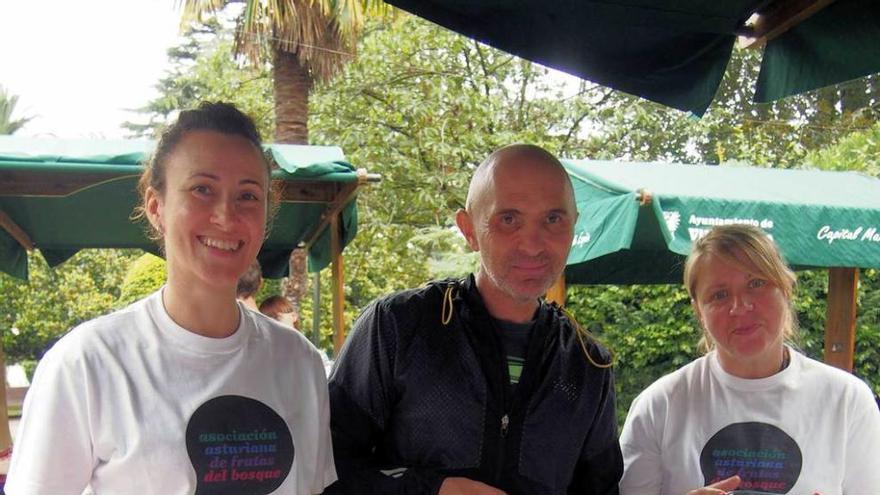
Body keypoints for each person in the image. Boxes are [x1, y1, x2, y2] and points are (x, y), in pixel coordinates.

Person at [6, 102, 336, 495]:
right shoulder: (87, 364)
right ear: (156, 207)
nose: (226, 216)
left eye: (248, 196)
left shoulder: (299, 362)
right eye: (202, 189)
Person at [327, 144, 623, 494]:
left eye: (553, 219)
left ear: (574, 225)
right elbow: (327, 468)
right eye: (508, 219)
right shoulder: (398, 327)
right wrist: (431, 489)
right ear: (469, 230)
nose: (532, 244)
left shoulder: (587, 364)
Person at [619, 224, 880, 495]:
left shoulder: (848, 400)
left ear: (787, 288)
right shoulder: (659, 405)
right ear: (698, 310)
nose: (740, 306)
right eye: (719, 295)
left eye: (756, 284)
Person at [260, 295, 333, 376]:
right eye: (266, 322)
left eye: (277, 318)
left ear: (294, 316)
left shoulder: (315, 356)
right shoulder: (261, 359)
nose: (272, 325)